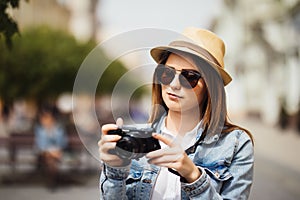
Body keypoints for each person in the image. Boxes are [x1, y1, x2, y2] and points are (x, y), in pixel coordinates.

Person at [98, 27, 254, 199]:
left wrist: (193, 176)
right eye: (167, 73)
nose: (174, 84)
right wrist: (114, 171)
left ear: (211, 87)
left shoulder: (236, 144)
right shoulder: (137, 140)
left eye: (189, 77)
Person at [34, 105, 68, 189]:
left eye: (48, 118)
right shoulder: (39, 130)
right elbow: (41, 145)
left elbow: (63, 143)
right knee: (51, 159)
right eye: (44, 118)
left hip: (56, 153)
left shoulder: (58, 129)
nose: (46, 120)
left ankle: (51, 181)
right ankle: (53, 181)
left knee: (51, 161)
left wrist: (56, 150)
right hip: (43, 153)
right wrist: (51, 152)